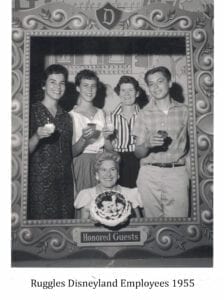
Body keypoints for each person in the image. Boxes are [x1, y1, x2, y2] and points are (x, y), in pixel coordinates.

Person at [133, 66, 189, 218]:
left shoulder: (186, 111)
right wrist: (147, 145)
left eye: (160, 81)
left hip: (177, 173)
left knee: (179, 225)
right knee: (152, 227)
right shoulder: (143, 114)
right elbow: (138, 153)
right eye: (151, 84)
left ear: (170, 83)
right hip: (149, 174)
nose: (156, 87)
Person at [28, 64, 74, 219]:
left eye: (62, 83)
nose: (58, 87)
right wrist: (37, 136)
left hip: (64, 184)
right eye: (52, 82)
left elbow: (69, 153)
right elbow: (19, 153)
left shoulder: (67, 117)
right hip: (40, 184)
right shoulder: (31, 112)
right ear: (43, 85)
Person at [69, 70, 113, 195]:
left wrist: (107, 138)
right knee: (84, 205)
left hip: (102, 163)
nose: (90, 90)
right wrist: (83, 139)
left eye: (93, 86)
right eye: (85, 85)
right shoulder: (70, 116)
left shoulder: (102, 113)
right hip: (81, 163)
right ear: (78, 88)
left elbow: (109, 149)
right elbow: (70, 152)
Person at [74, 151, 142, 220]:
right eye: (103, 170)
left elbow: (138, 225)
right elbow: (81, 227)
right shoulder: (86, 195)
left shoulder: (130, 194)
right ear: (97, 175)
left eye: (112, 169)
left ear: (118, 174)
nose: (108, 174)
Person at [111, 76, 141, 188]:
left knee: (138, 198)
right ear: (119, 93)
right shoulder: (110, 117)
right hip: (118, 160)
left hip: (140, 160)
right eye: (123, 90)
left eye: (131, 90)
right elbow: (108, 146)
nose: (126, 94)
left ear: (137, 93)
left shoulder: (145, 116)